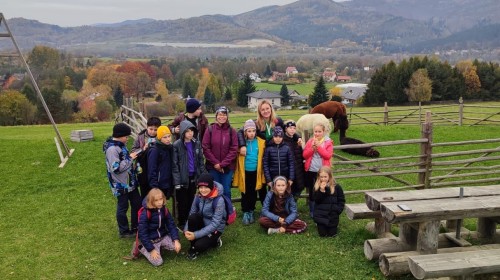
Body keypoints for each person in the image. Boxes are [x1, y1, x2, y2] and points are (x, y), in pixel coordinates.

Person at [103, 123, 142, 238]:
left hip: (130, 183)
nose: (127, 138)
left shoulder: (121, 145)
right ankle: (124, 231)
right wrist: (130, 158)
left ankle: (136, 227)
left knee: (137, 204)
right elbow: (116, 168)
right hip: (121, 184)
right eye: (126, 136)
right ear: (120, 136)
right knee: (123, 207)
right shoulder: (112, 149)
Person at [172, 120, 206, 228]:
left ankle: (190, 220)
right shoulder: (177, 145)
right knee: (182, 202)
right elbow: (175, 164)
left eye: (192, 130)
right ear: (182, 132)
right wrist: (177, 181)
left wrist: (202, 175)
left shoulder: (196, 143)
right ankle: (181, 222)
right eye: (187, 131)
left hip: (193, 177)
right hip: (182, 179)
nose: (190, 133)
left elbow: (200, 160)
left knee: (192, 200)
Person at [184, 173, 225, 260]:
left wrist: (195, 234)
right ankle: (193, 246)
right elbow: (192, 213)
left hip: (215, 228)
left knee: (200, 245)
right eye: (200, 187)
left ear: (211, 187)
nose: (203, 190)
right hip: (203, 222)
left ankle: (215, 241)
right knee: (192, 218)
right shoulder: (198, 196)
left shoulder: (219, 200)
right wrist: (186, 230)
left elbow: (215, 224)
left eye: (206, 187)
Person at [233, 119, 266, 225]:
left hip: (257, 172)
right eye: (249, 131)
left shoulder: (261, 142)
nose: (251, 133)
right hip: (245, 172)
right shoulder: (241, 144)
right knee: (246, 192)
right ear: (245, 132)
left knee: (255, 191)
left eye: (253, 131)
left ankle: (252, 210)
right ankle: (246, 211)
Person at [137, 188, 181, 266]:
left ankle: (160, 247)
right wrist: (151, 250)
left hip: (162, 237)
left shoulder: (164, 209)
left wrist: (176, 240)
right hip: (151, 241)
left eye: (161, 199)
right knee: (158, 262)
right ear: (151, 201)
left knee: (175, 247)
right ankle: (142, 248)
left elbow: (171, 224)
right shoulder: (146, 213)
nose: (159, 202)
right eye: (156, 200)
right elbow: (142, 233)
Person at [202, 106, 238, 198]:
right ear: (216, 116)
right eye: (220, 114)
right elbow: (205, 148)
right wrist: (216, 164)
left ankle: (227, 211)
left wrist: (222, 164)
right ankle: (216, 211)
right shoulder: (210, 129)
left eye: (224, 114)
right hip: (212, 167)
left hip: (227, 167)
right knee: (214, 190)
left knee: (226, 190)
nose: (222, 117)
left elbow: (234, 149)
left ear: (227, 116)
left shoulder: (231, 131)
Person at [303, 122, 334, 217]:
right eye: (315, 131)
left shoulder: (328, 142)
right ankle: (312, 211)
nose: (317, 133)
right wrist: (312, 149)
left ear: (323, 132)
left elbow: (327, 155)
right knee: (313, 191)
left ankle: (323, 208)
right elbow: (304, 155)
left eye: (319, 131)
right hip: (312, 170)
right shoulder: (310, 141)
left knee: (323, 189)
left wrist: (319, 147)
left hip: (323, 172)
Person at [132, 117, 161, 198]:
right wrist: (142, 149)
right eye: (151, 129)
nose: (153, 132)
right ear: (147, 127)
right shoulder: (140, 137)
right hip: (142, 168)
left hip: (156, 168)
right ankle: (145, 209)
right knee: (144, 192)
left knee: (156, 193)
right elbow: (133, 152)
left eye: (155, 130)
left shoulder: (161, 137)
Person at [312, 166, 345, 237]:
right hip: (321, 215)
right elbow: (316, 200)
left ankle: (332, 227)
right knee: (323, 235)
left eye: (325, 177)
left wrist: (338, 210)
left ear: (329, 176)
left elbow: (341, 200)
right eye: (321, 177)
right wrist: (321, 191)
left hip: (332, 215)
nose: (323, 179)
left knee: (332, 235)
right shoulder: (317, 187)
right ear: (318, 177)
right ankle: (319, 225)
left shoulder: (337, 187)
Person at [263, 126, 295, 191]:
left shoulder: (287, 148)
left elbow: (291, 164)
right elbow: (265, 165)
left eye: (280, 137)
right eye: (276, 136)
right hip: (273, 178)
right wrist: (268, 180)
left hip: (285, 177)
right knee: (272, 196)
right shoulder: (268, 149)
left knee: (285, 195)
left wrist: (291, 178)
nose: (278, 139)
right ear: (273, 137)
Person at [147, 126, 174, 199]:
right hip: (159, 184)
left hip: (168, 182)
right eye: (165, 137)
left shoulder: (170, 148)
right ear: (159, 138)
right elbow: (152, 169)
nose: (168, 139)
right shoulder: (155, 150)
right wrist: (154, 186)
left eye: (169, 136)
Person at [282, 120, 305, 200]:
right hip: (288, 171)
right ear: (285, 129)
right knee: (288, 191)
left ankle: (292, 206)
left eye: (294, 128)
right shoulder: (282, 141)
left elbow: (302, 155)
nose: (292, 130)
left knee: (298, 189)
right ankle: (288, 209)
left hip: (298, 169)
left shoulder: (297, 141)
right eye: (290, 128)